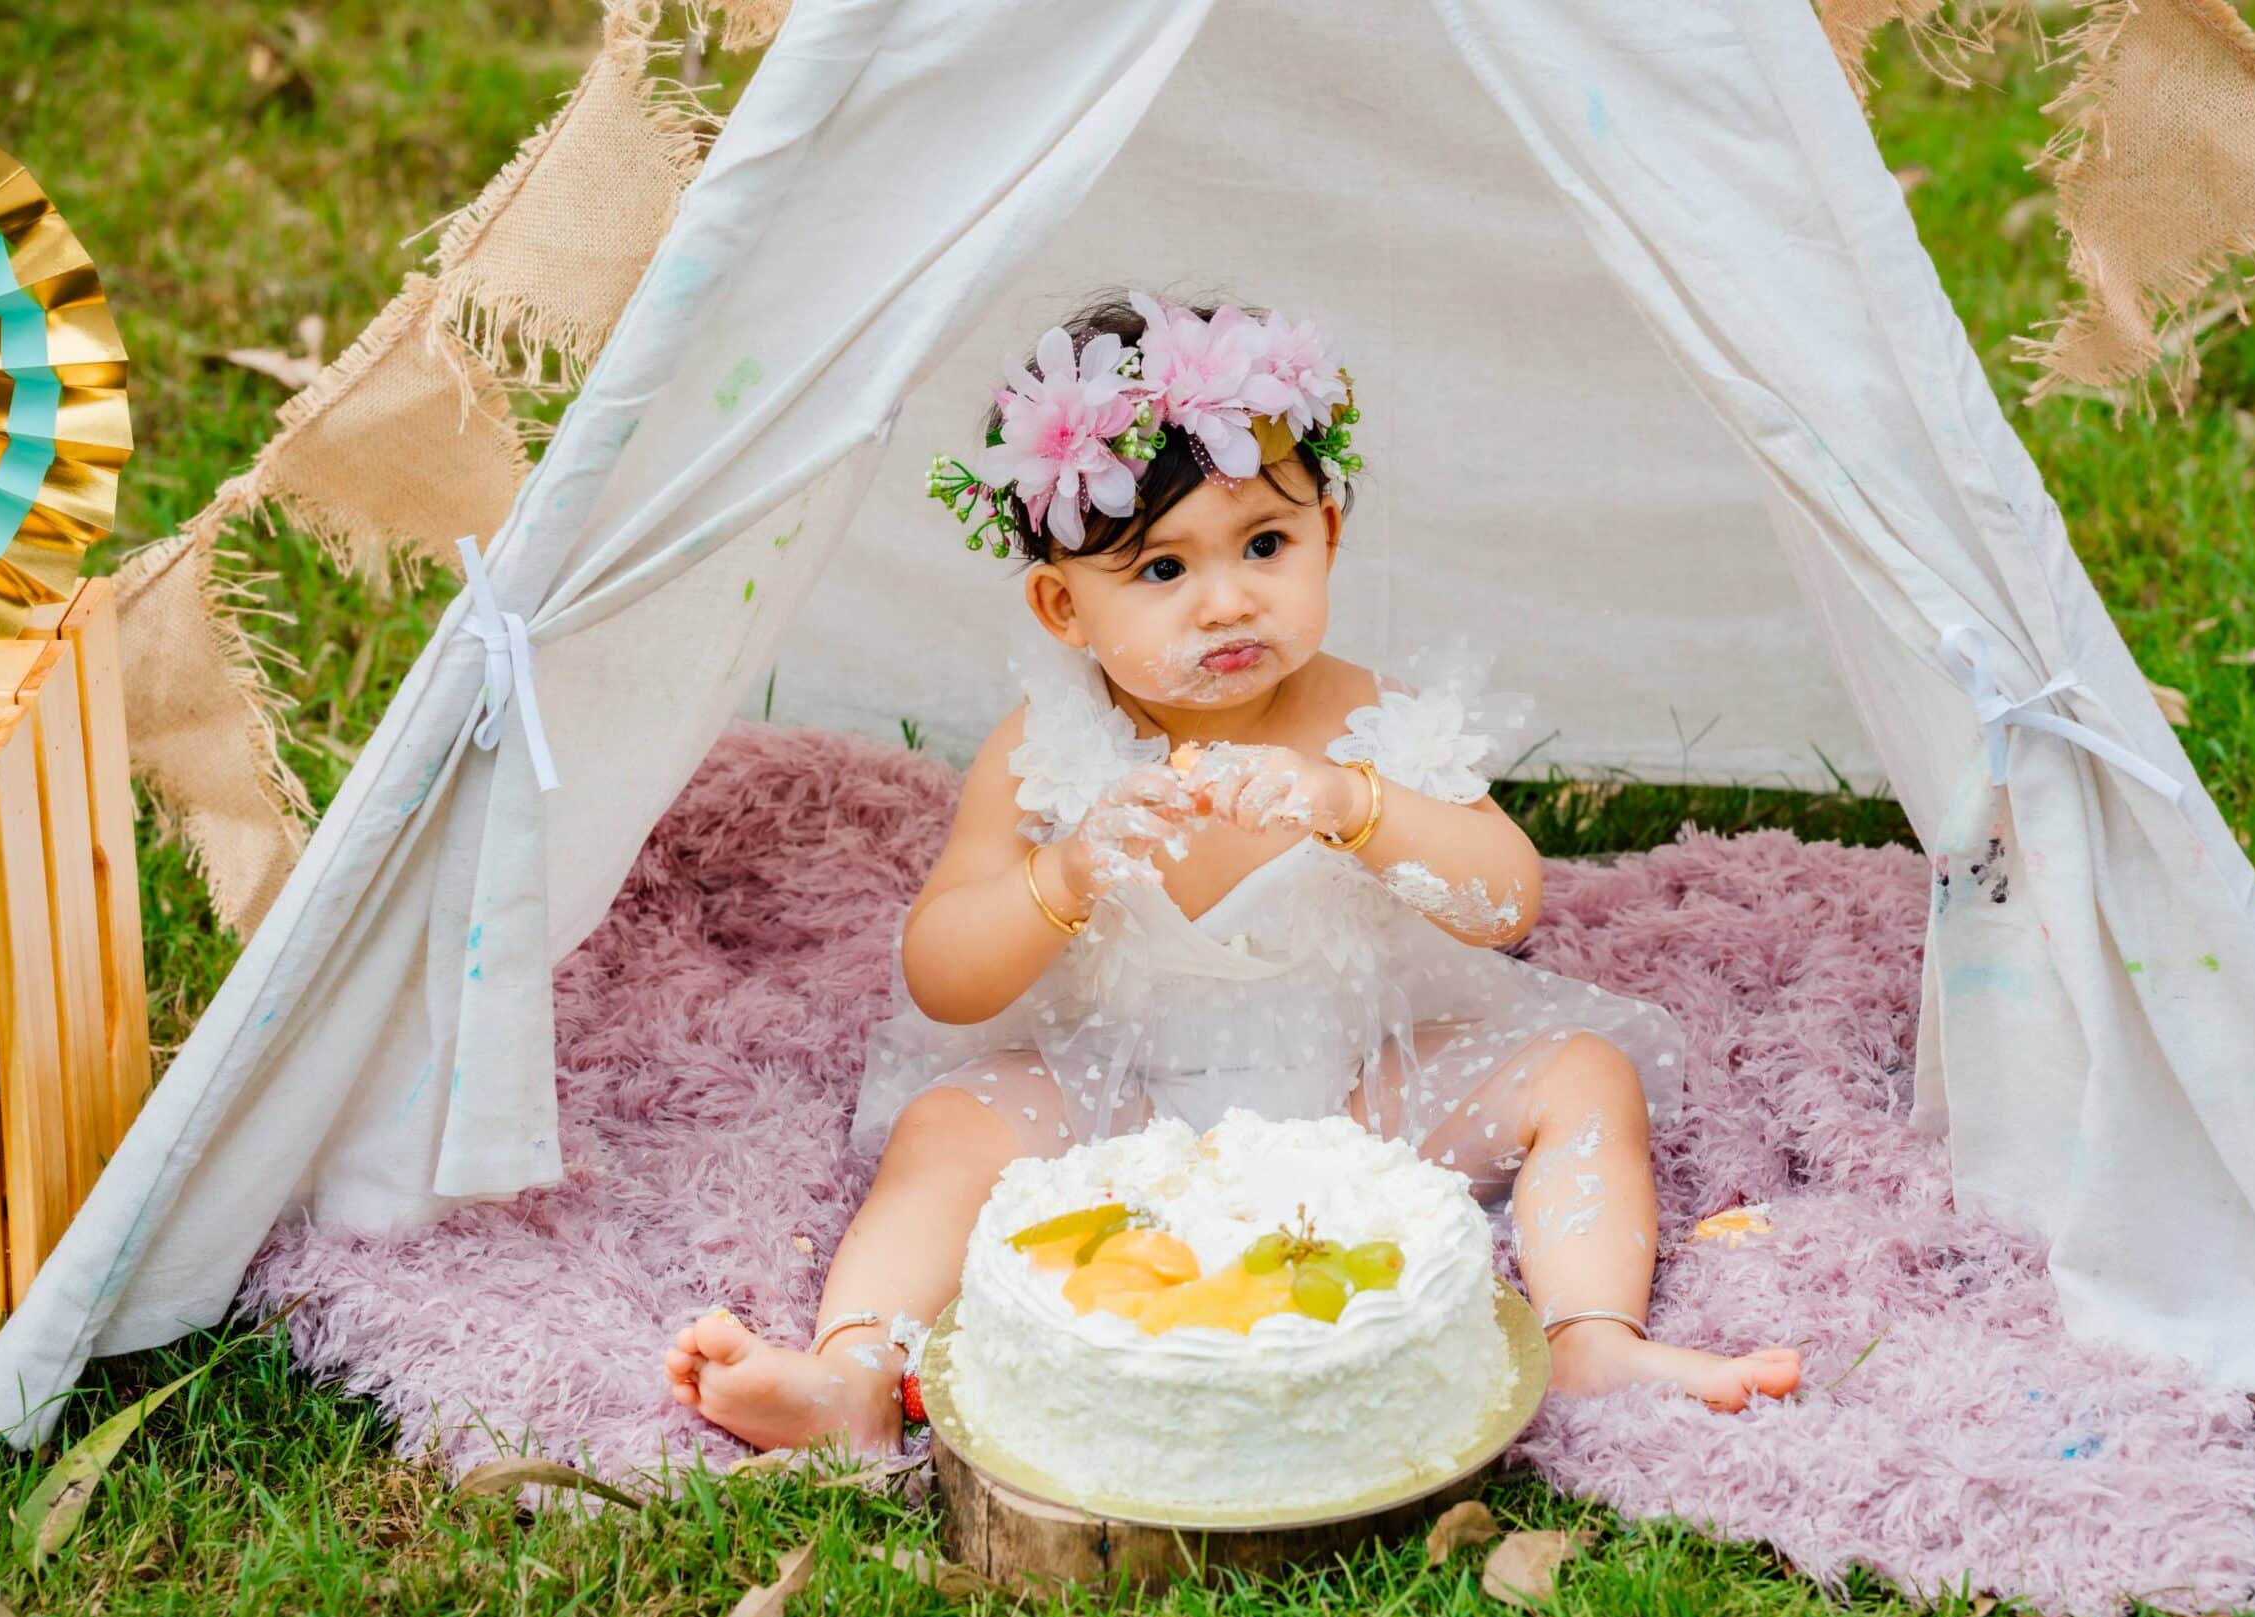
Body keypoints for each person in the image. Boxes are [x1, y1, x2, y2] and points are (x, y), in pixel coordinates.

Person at [663, 290, 1802, 1453]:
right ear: (1063, 605)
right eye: (1161, 567)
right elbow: (944, 973)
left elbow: (1506, 902)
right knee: (948, 1125)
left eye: (1265, 544)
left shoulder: (1370, 721)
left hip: (1362, 1095)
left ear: (1328, 535)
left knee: (1583, 1074)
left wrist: (1358, 806)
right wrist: (1063, 876)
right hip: (1115, 1103)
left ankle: (1588, 1336)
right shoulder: (1047, 750)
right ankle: (856, 1370)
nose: (1226, 600)